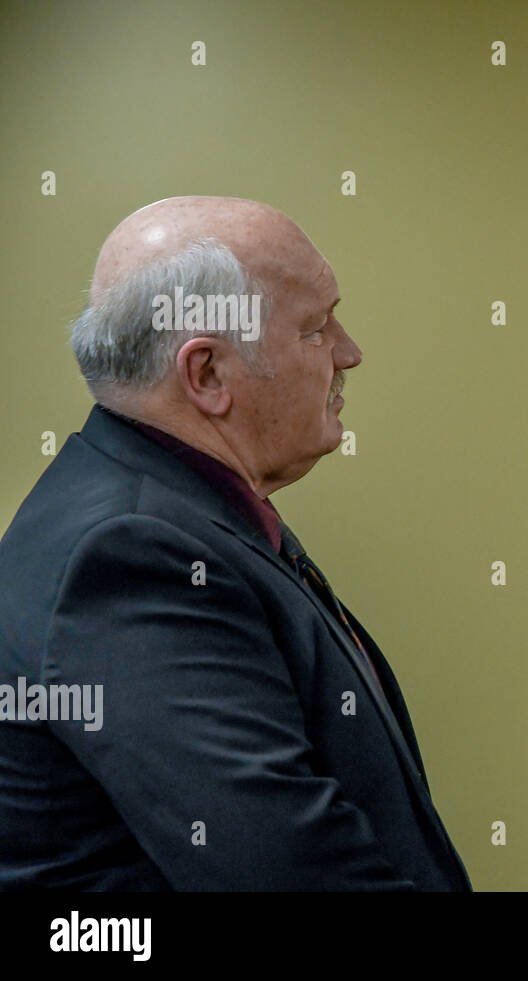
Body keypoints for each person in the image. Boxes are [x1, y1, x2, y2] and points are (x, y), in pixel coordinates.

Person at [0, 196, 470, 890]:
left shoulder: (174, 500)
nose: (350, 352)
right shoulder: (131, 556)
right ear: (209, 375)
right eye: (316, 327)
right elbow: (290, 876)